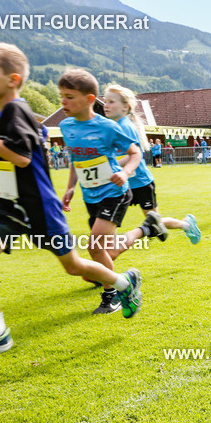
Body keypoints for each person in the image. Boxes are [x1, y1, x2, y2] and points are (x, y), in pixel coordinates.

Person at [0, 42, 143, 360]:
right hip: (7, 203)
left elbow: (22, 159)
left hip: (38, 204)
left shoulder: (15, 111)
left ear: (12, 79)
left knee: (73, 266)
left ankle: (123, 282)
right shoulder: (3, 114)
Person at [59, 70, 166, 315]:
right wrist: (70, 188)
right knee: (102, 250)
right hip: (90, 196)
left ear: (89, 99)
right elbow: (77, 160)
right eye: (61, 96)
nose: (63, 102)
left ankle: (114, 294)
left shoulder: (107, 127)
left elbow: (135, 152)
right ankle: (142, 239)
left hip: (115, 192)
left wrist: (126, 173)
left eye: (69, 96)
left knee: (94, 247)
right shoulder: (65, 126)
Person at [103, 84, 201, 245]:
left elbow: (134, 155)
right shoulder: (115, 127)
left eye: (111, 102)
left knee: (156, 222)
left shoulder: (125, 127)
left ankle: (186, 224)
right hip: (123, 183)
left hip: (141, 183)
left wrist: (110, 166)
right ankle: (107, 249)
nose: (106, 105)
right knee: (109, 220)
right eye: (105, 101)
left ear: (125, 107)